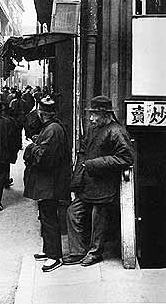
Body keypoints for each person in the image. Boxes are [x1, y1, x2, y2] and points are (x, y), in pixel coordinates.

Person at [64, 95, 134, 267]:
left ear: (105, 115)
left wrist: (95, 164)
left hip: (104, 185)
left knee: (98, 221)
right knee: (73, 213)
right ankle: (77, 251)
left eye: (94, 114)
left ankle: (95, 253)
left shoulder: (116, 131)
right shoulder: (94, 129)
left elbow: (127, 158)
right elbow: (83, 150)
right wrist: (78, 175)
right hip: (88, 183)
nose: (91, 118)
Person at [23, 96, 71, 272]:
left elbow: (43, 157)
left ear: (42, 114)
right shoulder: (53, 128)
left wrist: (30, 146)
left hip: (50, 182)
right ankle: (49, 250)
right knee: (45, 216)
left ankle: (54, 256)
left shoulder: (52, 130)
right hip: (49, 181)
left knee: (49, 217)